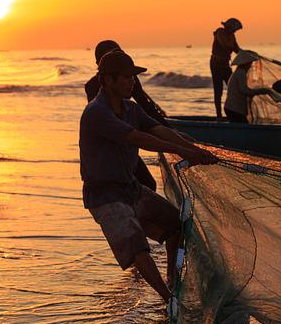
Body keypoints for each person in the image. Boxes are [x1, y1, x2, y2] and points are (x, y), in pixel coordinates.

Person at [80, 49, 218, 302]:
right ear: (108, 80)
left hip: (130, 188)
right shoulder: (96, 112)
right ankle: (168, 299)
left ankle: (172, 282)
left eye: (133, 77)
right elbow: (139, 138)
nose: (132, 82)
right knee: (137, 248)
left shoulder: (130, 108)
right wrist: (180, 151)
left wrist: (194, 149)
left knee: (177, 225)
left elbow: (158, 130)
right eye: (126, 77)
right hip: (105, 196)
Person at [83, 40, 170, 191]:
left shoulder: (129, 80)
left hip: (128, 143)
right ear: (100, 63)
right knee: (139, 184)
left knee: (148, 184)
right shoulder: (93, 91)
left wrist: (167, 128)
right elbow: (107, 124)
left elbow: (145, 107)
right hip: (110, 148)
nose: (131, 80)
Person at [223, 51, 275, 123]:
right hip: (234, 109)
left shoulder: (239, 71)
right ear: (245, 63)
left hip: (231, 108)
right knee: (243, 127)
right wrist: (260, 91)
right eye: (249, 63)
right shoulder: (241, 73)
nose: (251, 65)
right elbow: (244, 90)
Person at [209, 18, 242, 120]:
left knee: (233, 87)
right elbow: (225, 45)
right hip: (216, 64)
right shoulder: (220, 32)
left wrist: (247, 54)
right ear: (230, 27)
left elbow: (237, 49)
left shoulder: (232, 36)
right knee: (218, 90)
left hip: (225, 64)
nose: (235, 31)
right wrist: (236, 49)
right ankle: (219, 116)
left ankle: (233, 113)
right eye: (234, 29)